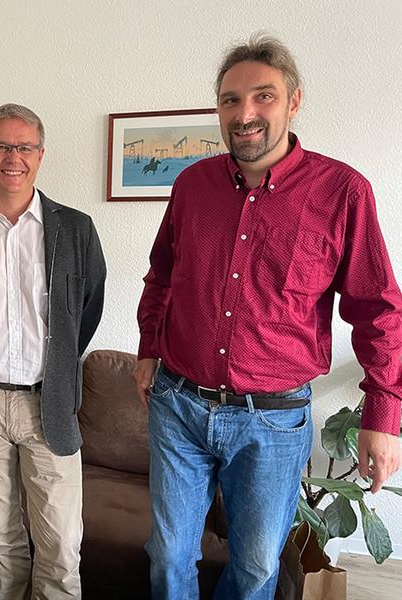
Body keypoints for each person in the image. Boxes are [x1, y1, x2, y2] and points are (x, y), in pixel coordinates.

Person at [134, 34, 402, 599]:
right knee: (168, 554)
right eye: (230, 100)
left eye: (263, 97)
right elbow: (162, 273)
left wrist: (383, 415)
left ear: (294, 101)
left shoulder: (342, 192)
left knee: (256, 567)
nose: (245, 113)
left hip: (274, 422)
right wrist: (148, 349)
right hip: (179, 406)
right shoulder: (191, 185)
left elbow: (378, 308)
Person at [0, 103, 106, 599]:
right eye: (2, 146)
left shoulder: (75, 230)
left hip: (46, 405)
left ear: (41, 155)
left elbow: (84, 313)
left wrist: (56, 366)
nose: (14, 157)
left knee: (61, 545)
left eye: (25, 146)